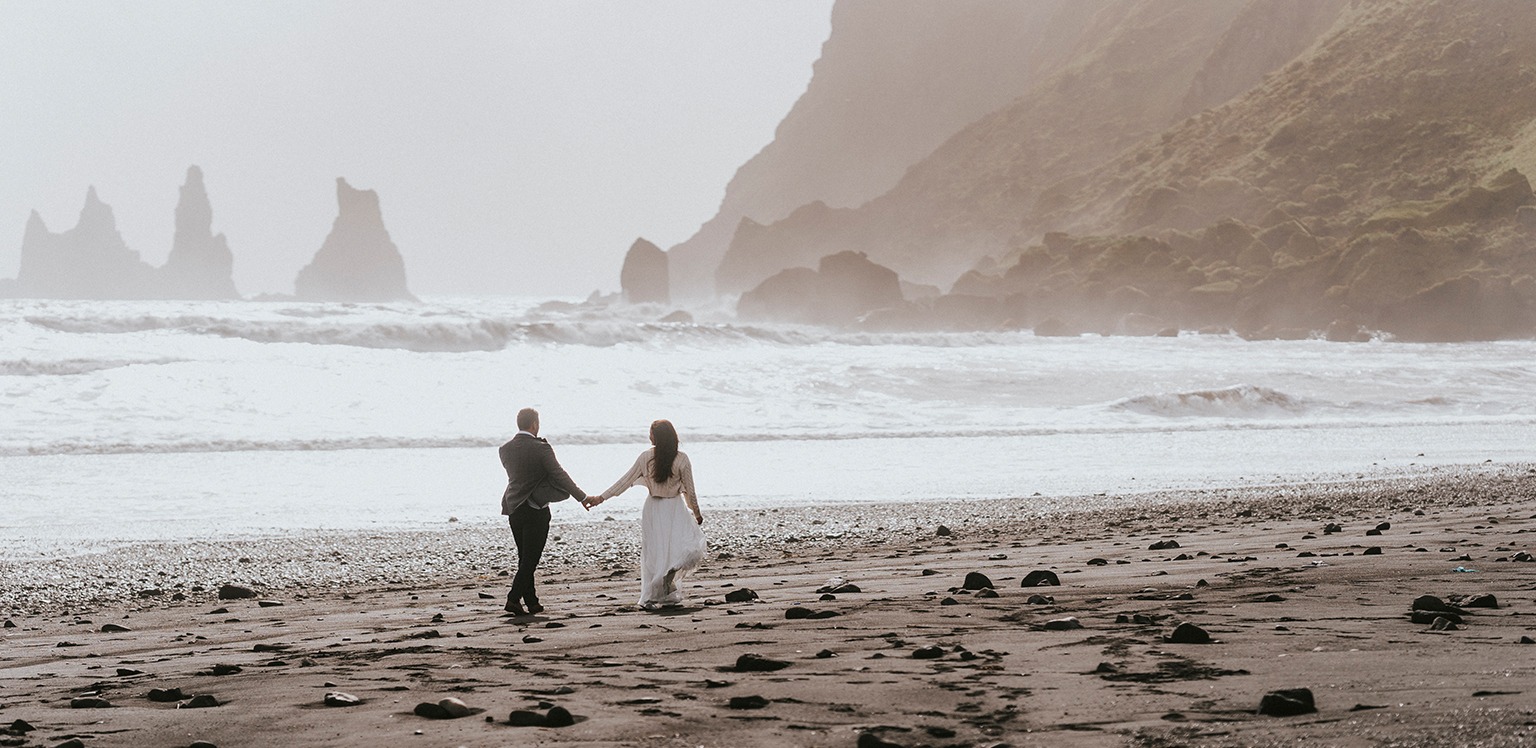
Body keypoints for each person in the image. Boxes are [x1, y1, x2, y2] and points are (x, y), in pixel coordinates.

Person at [584, 419, 705, 610]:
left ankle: (656, 592)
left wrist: (601, 498)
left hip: (654, 508)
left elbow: (624, 482)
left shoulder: (646, 457)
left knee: (654, 552)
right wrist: (696, 512)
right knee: (677, 551)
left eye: (651, 433)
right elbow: (690, 490)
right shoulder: (682, 458)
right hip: (674, 508)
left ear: (656, 436)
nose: (649, 436)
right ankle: (664, 588)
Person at [499, 407, 588, 616]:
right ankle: (513, 598)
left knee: (524, 558)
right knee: (531, 559)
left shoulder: (504, 449)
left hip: (513, 508)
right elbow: (559, 475)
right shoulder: (541, 448)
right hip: (535, 510)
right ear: (535, 425)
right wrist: (582, 497)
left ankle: (531, 601)